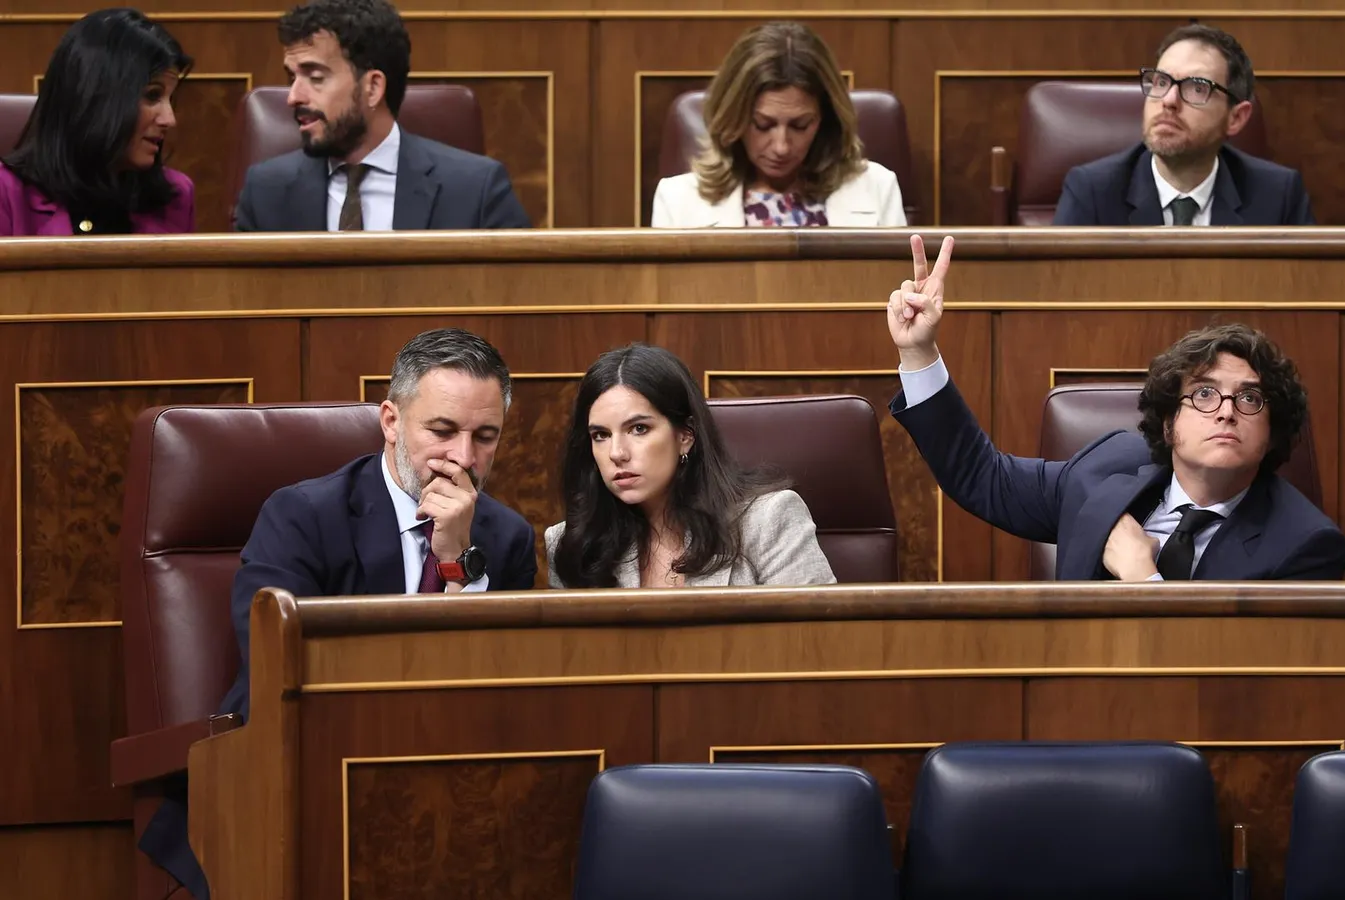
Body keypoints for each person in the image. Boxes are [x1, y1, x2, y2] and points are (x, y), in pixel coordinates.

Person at [138, 327, 539, 899]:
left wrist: (456, 565)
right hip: (297, 781)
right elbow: (277, 667)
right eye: (442, 431)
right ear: (391, 421)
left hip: (451, 794)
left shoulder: (506, 538)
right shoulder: (303, 516)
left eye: (486, 436)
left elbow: (504, 691)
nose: (464, 457)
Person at [885, 234, 1345, 581]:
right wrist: (918, 352)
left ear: (1273, 431)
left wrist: (1144, 580)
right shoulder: (1103, 471)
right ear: (1168, 423)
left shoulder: (1305, 546)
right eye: (1204, 394)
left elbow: (1237, 672)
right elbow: (982, 477)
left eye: (1249, 398)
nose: (1226, 411)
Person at [546, 342, 835, 587]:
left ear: (685, 436)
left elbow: (815, 635)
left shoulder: (768, 521)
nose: (617, 453)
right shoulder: (572, 545)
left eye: (639, 429)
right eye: (601, 435)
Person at [234, 0, 530, 231]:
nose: (293, 97)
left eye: (315, 77)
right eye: (292, 78)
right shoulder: (265, 193)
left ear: (373, 87)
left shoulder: (476, 190)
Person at [1052, 24, 1314, 227]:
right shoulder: (1092, 192)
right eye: (1161, 82)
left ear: (1235, 118)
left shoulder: (1278, 195)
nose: (1168, 101)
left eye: (1197, 88)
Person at [651, 20, 904, 228]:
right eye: (763, 125)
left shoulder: (878, 187)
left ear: (826, 119)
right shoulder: (677, 200)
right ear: (733, 117)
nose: (781, 147)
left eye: (800, 126)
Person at [0, 8, 194, 236]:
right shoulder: (7, 195)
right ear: (95, 98)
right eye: (152, 96)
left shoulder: (176, 196)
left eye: (171, 99)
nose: (169, 119)